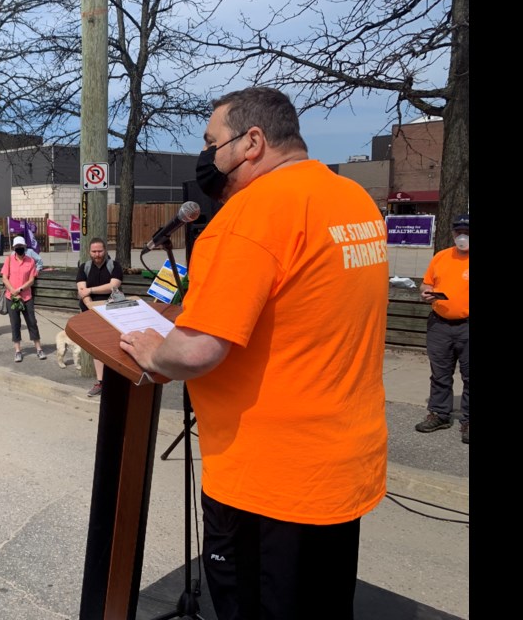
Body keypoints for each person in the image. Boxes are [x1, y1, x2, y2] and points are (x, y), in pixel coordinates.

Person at [118, 87, 388, 619]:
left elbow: (196, 352)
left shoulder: (249, 216)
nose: (208, 155)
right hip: (340, 465)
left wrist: (153, 351)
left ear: (252, 142)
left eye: (212, 141)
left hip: (266, 483)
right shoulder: (352, 198)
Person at [415, 213, 470, 444]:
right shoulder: (441, 257)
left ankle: (467, 420)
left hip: (467, 326)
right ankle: (439, 413)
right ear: (453, 233)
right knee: (440, 374)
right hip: (439, 324)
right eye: (458, 232)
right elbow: (426, 283)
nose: (462, 237)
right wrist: (425, 292)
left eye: (467, 232)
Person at [76, 237, 123, 396]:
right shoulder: (84, 267)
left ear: (105, 250)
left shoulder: (114, 266)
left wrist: (91, 290)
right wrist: (90, 305)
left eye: (100, 251)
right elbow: (82, 290)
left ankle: (116, 381)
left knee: (114, 346)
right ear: (89, 252)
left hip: (112, 311)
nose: (97, 254)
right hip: (91, 312)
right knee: (96, 348)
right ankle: (101, 382)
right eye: (94, 251)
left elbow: (113, 285)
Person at [0, 236, 46, 362]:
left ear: (25, 247)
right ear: (14, 248)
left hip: (26, 297)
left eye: (22, 247)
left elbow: (31, 280)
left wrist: (19, 289)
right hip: (11, 297)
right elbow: (5, 278)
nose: (20, 249)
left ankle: (38, 348)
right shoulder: (9, 260)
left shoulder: (30, 261)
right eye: (17, 247)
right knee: (15, 324)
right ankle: (18, 350)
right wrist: (13, 291)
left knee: (32, 322)